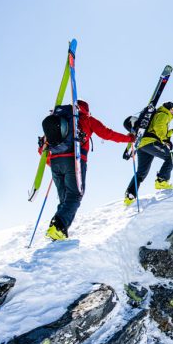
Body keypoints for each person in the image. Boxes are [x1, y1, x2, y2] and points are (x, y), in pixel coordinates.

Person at [39, 100, 135, 240]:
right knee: (75, 195)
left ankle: (59, 230)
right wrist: (129, 139)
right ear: (86, 109)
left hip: (55, 162)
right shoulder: (86, 119)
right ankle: (58, 226)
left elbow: (43, 146)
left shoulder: (61, 119)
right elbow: (107, 134)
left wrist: (54, 163)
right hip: (74, 160)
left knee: (65, 199)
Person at [124, 101, 173, 206]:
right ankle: (161, 180)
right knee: (171, 158)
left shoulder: (159, 115)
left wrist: (172, 131)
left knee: (141, 172)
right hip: (151, 142)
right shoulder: (164, 114)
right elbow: (159, 129)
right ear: (168, 108)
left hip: (142, 145)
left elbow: (159, 130)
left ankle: (130, 196)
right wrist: (166, 140)